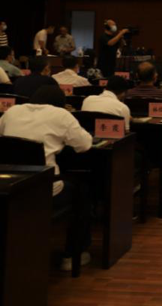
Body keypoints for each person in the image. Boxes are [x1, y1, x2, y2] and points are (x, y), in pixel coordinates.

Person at [0, 85, 94, 269]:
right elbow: (84, 145)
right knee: (82, 191)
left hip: (9, 186)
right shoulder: (62, 115)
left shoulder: (12, 112)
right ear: (61, 103)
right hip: (44, 189)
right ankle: (73, 254)